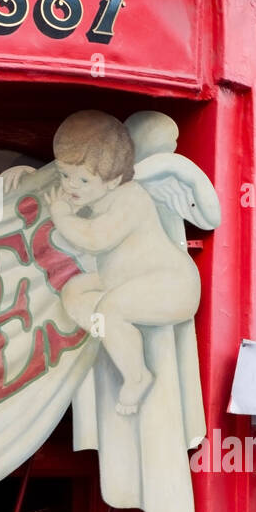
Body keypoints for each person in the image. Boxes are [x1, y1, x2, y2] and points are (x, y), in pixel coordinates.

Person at [42, 110, 201, 415]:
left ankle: (136, 376)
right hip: (122, 277)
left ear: (114, 180)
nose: (71, 186)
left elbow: (95, 239)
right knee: (73, 292)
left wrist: (61, 216)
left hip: (171, 283)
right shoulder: (96, 197)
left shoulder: (131, 199)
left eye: (83, 179)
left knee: (110, 309)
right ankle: (117, 340)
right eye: (64, 175)